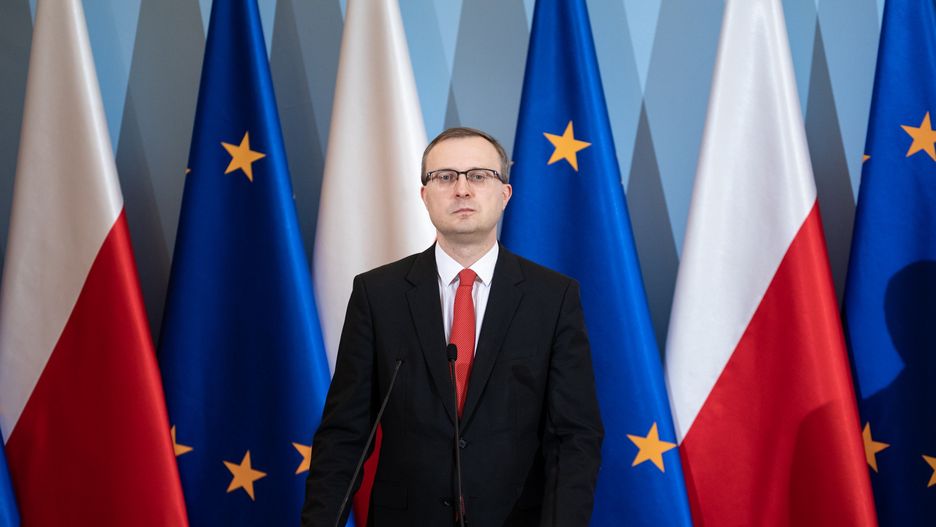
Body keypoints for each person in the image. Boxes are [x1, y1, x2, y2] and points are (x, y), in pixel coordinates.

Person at [301, 127, 603, 526]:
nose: (462, 189)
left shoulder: (553, 297)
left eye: (478, 176)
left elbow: (575, 437)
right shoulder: (378, 295)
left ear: (505, 194)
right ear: (425, 195)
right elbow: (344, 434)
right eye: (444, 177)